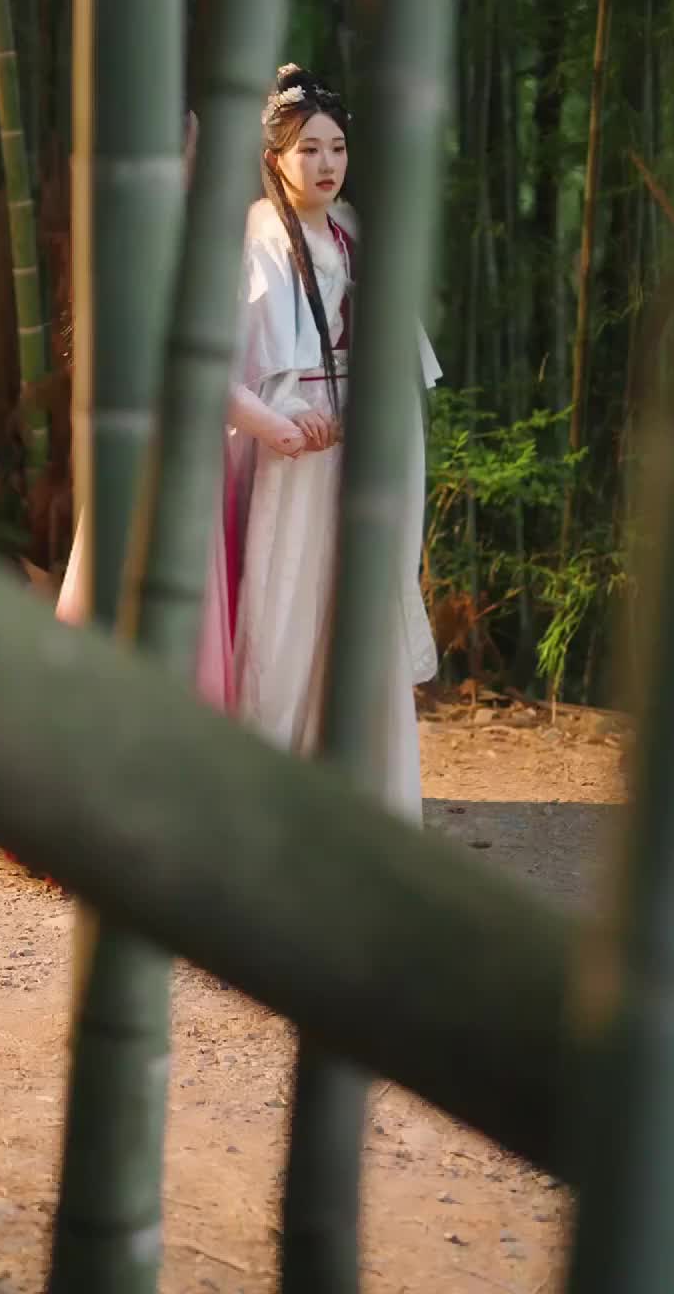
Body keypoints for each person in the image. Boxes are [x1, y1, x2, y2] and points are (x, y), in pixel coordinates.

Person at [195, 63, 441, 823]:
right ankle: (267, 801)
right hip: (291, 457)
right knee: (286, 610)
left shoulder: (354, 232)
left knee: (359, 611)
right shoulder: (253, 238)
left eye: (336, 147)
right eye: (308, 149)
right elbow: (219, 365)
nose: (326, 163)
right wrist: (286, 419)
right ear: (274, 158)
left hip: (360, 441)